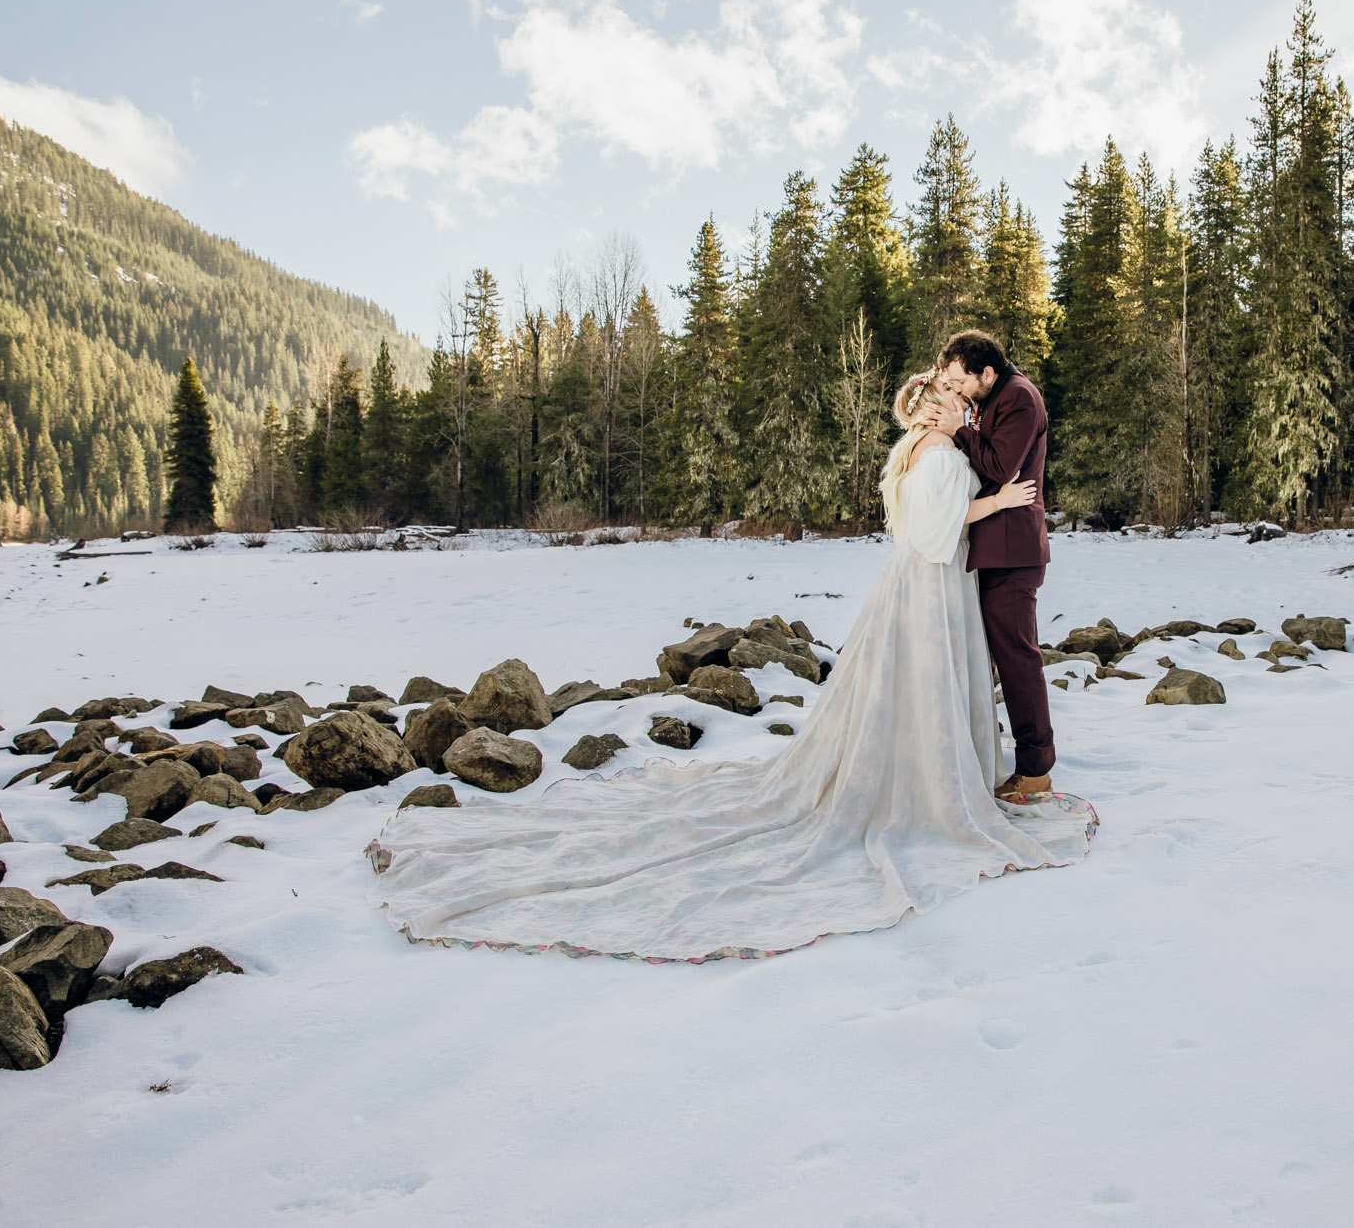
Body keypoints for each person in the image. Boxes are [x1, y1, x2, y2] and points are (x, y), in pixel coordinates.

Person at [366, 370, 1095, 964]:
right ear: (922, 411)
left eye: (956, 398)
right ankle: (928, 783)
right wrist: (994, 499)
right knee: (917, 688)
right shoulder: (936, 454)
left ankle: (926, 767)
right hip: (929, 585)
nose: (952, 406)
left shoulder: (915, 452)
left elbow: (911, 523)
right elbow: (934, 533)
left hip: (911, 587)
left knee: (899, 693)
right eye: (941, 399)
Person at [918, 330, 1055, 801]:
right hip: (992, 550)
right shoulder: (990, 395)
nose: (956, 390)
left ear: (987, 373)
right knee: (999, 659)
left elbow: (999, 466)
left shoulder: (1019, 398)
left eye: (961, 381)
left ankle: (1036, 770)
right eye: (949, 382)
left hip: (1012, 551)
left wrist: (959, 429)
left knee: (1018, 660)